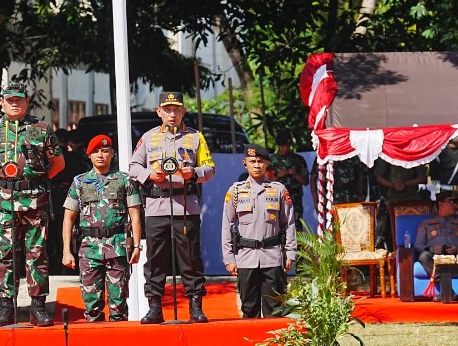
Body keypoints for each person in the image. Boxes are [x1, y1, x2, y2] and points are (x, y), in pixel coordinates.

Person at [0, 81, 65, 328]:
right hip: (4, 202)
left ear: (27, 102)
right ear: (2, 102)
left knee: (37, 254)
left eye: (19, 99)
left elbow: (58, 163)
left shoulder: (41, 129)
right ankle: (5, 308)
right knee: (6, 256)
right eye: (10, 100)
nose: (14, 103)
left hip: (36, 200)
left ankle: (37, 308)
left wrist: (37, 180)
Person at [129, 91, 216, 324]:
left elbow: (209, 168)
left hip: (186, 206)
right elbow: (133, 166)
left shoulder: (195, 137)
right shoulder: (148, 138)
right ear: (159, 112)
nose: (172, 114)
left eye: (177, 109)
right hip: (157, 206)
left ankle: (195, 307)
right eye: (167, 109)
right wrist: (150, 174)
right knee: (156, 260)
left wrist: (194, 173)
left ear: (183, 111)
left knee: (190, 259)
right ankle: (155, 307)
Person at [62, 134, 142, 322]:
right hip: (89, 249)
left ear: (112, 154)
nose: (100, 155)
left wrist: (137, 246)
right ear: (88, 155)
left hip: (117, 247)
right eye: (95, 151)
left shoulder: (124, 180)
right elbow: (68, 218)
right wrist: (67, 250)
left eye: (105, 151)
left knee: (118, 304)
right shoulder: (79, 182)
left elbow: (135, 215)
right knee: (91, 306)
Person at [221, 144, 297, 318]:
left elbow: (289, 223)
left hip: (273, 257)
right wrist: (229, 258)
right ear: (244, 163)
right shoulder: (236, 191)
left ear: (267, 164)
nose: (257, 165)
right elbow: (227, 224)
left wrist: (290, 253)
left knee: (274, 309)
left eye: (261, 161)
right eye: (252, 161)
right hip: (246, 258)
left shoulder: (278, 190)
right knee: (249, 310)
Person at [48, 128, 89, 275]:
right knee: (71, 232)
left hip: (53, 199)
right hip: (70, 198)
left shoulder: (52, 158)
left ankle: (54, 266)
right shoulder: (75, 158)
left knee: (53, 235)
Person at [414, 190, 458, 301]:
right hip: (434, 257)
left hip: (455, 256)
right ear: (441, 204)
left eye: (456, 202)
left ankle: (446, 294)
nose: (456, 205)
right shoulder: (427, 224)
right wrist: (432, 248)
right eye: (452, 202)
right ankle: (448, 291)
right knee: (424, 256)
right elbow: (418, 245)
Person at [270, 130, 308, 227]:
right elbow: (267, 180)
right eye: (283, 146)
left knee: (297, 227)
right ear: (278, 146)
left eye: (287, 146)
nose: (286, 149)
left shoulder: (299, 160)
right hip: (278, 198)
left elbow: (306, 181)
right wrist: (279, 175)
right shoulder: (272, 160)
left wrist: (295, 174)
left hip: (295, 199)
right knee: (278, 226)